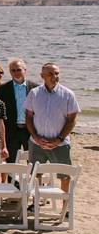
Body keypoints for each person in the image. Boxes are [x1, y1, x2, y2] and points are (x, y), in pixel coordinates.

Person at [24, 63, 80, 191]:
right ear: (42, 76)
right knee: (35, 174)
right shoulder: (34, 93)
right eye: (50, 74)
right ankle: (35, 203)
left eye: (56, 73)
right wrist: (36, 137)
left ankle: (66, 208)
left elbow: (72, 120)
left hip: (60, 144)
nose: (54, 76)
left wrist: (59, 139)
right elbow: (28, 117)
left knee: (64, 176)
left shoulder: (68, 94)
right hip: (37, 144)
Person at [0, 58, 37, 162]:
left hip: (30, 130)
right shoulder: (3, 89)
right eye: (13, 70)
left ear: (25, 70)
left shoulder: (35, 88)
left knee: (33, 160)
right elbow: (0, 113)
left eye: (18, 70)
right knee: (11, 162)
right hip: (11, 130)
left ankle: (32, 179)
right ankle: (12, 179)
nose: (16, 73)